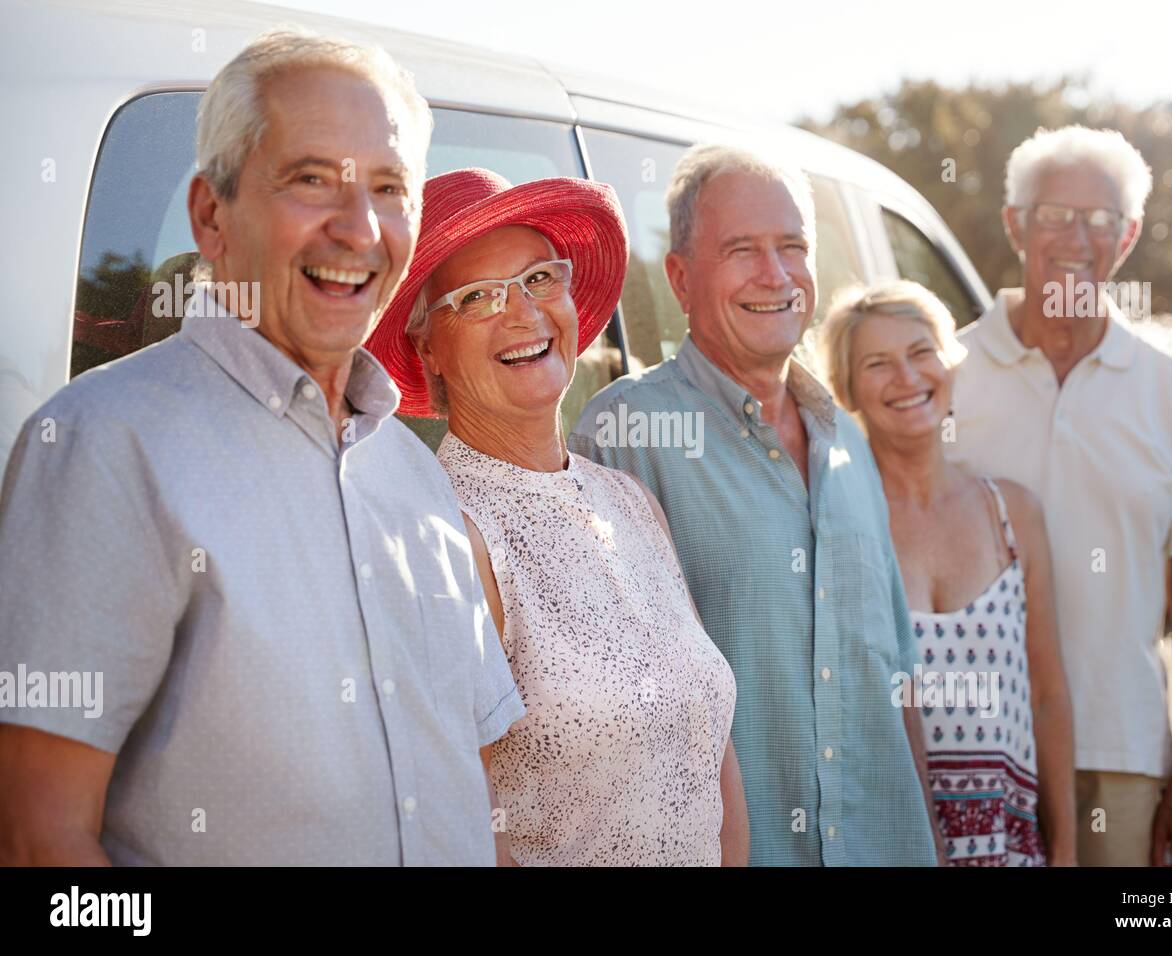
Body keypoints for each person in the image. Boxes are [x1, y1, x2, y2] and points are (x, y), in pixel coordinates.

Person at [0, 30, 522, 866]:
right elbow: (35, 838)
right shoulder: (102, 446)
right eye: (312, 179)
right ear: (211, 215)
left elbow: (468, 794)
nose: (359, 229)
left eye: (389, 187)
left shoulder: (416, 478)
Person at [570, 145, 939, 866]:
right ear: (679, 278)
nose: (776, 275)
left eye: (792, 247)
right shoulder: (622, 437)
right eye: (742, 249)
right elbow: (597, 719)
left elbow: (899, 682)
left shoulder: (849, 446)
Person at [365, 168, 746, 866]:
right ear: (428, 349)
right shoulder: (447, 535)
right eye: (477, 297)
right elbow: (467, 832)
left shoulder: (632, 502)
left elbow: (713, 752)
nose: (523, 314)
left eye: (540, 279)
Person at [947, 126, 1172, 867]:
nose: (1076, 237)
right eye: (1054, 214)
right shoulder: (946, 371)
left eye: (1100, 219)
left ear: (1129, 236)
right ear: (1016, 223)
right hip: (974, 741)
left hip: (1123, 752)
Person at [817, 280, 1077, 866]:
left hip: (1008, 845)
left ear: (949, 365)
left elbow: (1050, 693)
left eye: (920, 353)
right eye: (878, 364)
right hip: (885, 843)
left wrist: (1065, 850)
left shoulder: (1013, 513)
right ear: (847, 389)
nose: (907, 378)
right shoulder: (838, 520)